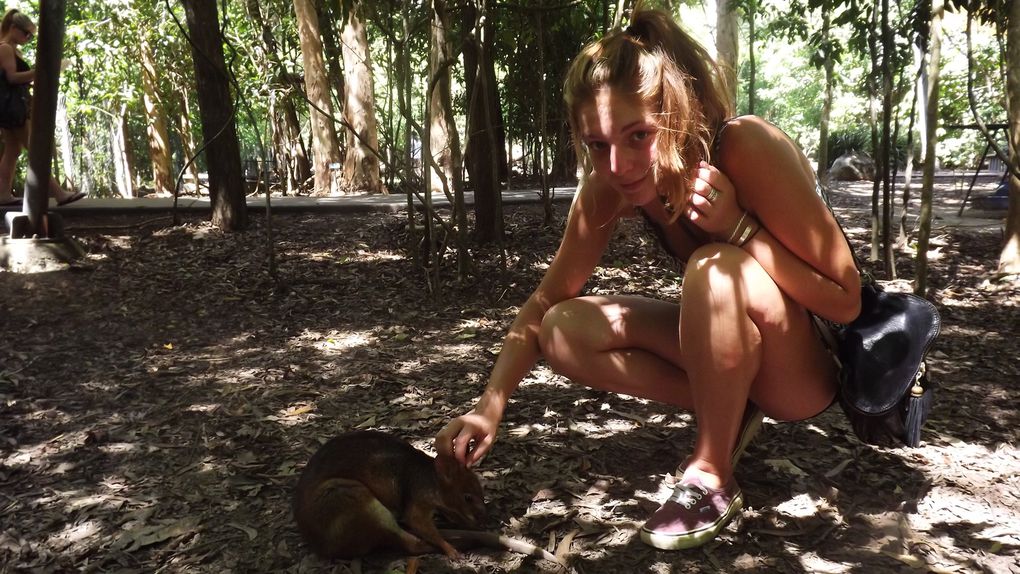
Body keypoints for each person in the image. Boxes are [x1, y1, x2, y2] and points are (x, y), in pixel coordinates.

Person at [436, 5, 862, 551]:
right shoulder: (606, 188)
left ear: (677, 114)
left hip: (803, 374)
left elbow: (846, 301)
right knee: (563, 328)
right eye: (597, 145)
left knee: (715, 268)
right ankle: (730, 407)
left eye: (638, 135)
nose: (618, 165)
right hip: (739, 348)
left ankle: (712, 476)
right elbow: (545, 302)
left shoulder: (746, 147)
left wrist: (736, 228)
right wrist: (490, 403)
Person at [0, 8, 82, 207]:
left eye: (30, 34)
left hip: (14, 107)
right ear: (13, 27)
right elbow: (11, 77)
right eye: (25, 33)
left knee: (13, 150)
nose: (28, 38)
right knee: (35, 149)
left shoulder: (12, 49)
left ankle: (2, 195)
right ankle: (58, 193)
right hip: (13, 109)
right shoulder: (5, 48)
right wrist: (43, 70)